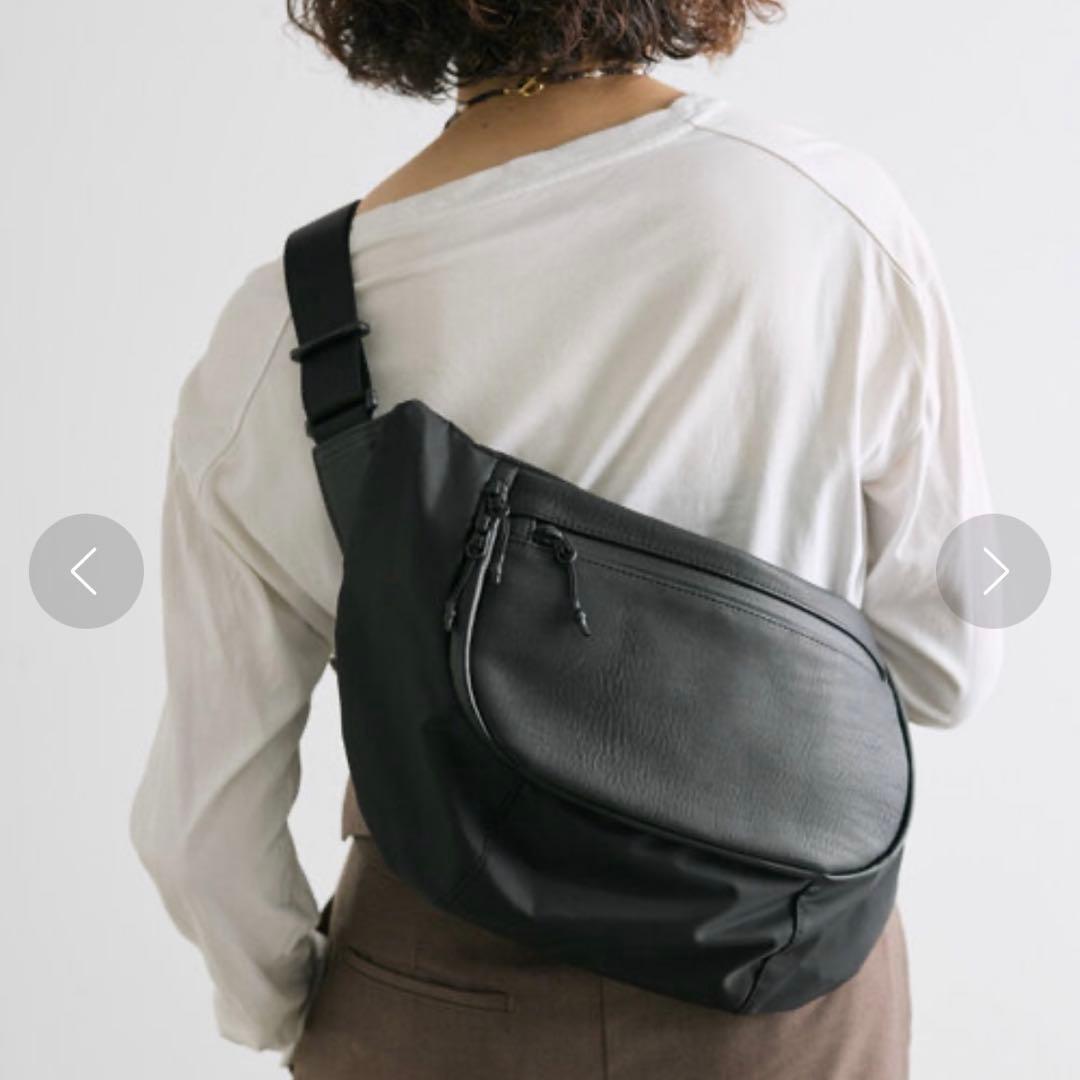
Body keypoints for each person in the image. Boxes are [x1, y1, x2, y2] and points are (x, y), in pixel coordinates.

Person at [129, 1, 1002, 1076]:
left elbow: (199, 835)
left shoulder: (285, 327)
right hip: (781, 981)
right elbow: (946, 666)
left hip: (432, 981)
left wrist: (296, 1012)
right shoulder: (824, 217)